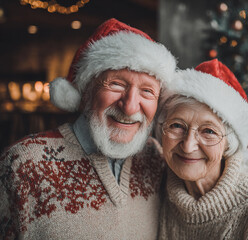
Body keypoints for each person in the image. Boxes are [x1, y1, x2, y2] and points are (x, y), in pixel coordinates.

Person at [0, 18, 176, 239]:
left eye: (147, 91)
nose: (130, 107)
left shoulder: (155, 158)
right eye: (116, 84)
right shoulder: (22, 164)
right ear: (86, 90)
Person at [155, 59, 248, 239]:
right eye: (177, 126)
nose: (188, 145)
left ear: (228, 145)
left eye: (208, 131)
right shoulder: (153, 189)